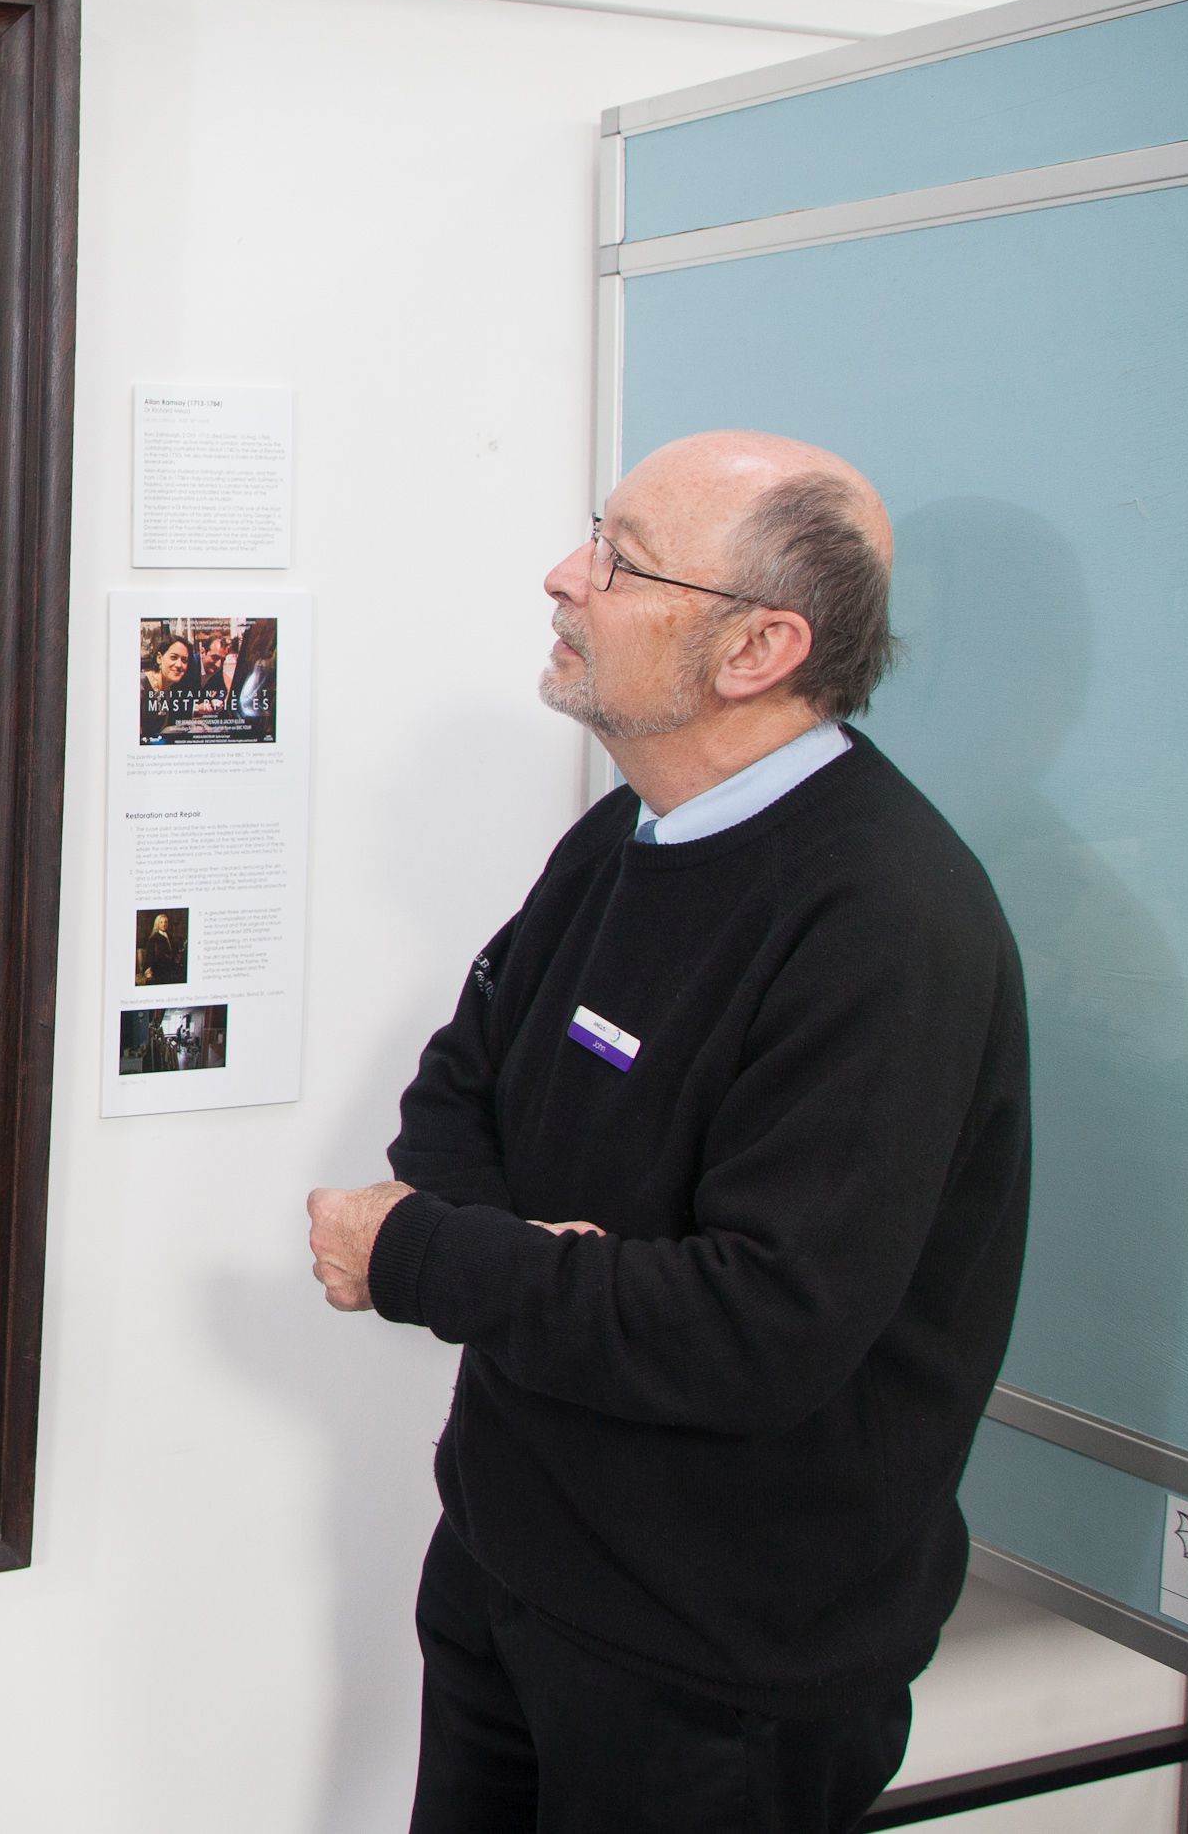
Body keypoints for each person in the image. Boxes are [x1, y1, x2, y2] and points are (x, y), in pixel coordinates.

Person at [304, 430, 1030, 1834]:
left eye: (622, 559)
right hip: (513, 1581)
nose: (565, 575)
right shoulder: (624, 838)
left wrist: (424, 1258)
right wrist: (544, 1260)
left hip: (716, 1673)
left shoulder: (884, 920)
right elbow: (456, 1092)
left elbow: (756, 1326)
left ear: (758, 647)